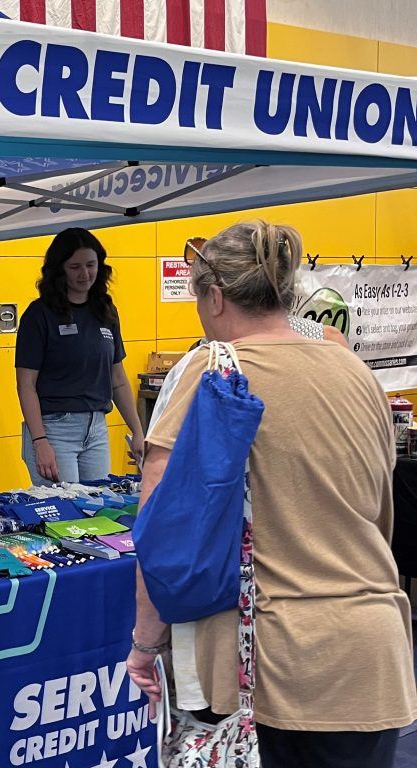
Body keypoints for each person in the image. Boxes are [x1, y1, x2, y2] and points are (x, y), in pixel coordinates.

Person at [126, 221, 417, 768]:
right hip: (373, 656)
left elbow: (163, 533)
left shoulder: (214, 373)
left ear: (214, 297)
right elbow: (382, 515)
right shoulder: (358, 375)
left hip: (270, 668)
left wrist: (146, 644)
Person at [15, 228, 144, 486]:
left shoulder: (106, 311)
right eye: (75, 266)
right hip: (54, 429)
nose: (84, 274)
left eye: (90, 265)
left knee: (100, 512)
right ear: (59, 269)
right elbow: (25, 384)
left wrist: (138, 431)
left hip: (96, 428)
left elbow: (117, 379)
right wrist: (40, 441)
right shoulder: (39, 314)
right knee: (66, 518)